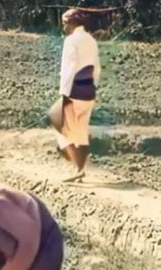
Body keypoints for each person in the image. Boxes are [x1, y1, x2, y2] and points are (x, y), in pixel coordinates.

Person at [48, 8, 101, 183]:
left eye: (64, 23)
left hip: (74, 90)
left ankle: (78, 169)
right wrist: (93, 86)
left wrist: (64, 93)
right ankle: (80, 169)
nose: (63, 27)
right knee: (81, 129)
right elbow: (97, 67)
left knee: (59, 124)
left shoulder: (71, 41)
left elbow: (68, 69)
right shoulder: (91, 40)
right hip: (89, 91)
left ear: (71, 23)